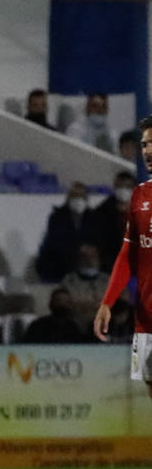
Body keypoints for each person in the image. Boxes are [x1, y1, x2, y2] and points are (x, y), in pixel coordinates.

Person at [95, 114, 152, 401]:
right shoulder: (140, 195)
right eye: (144, 144)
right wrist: (108, 301)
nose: (148, 151)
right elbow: (128, 254)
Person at [36, 184, 99, 282]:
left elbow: (96, 239)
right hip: (59, 263)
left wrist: (90, 249)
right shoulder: (57, 217)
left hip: (84, 261)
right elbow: (56, 242)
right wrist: (79, 248)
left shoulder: (92, 217)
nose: (78, 199)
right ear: (68, 198)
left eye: (81, 196)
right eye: (75, 196)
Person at [60, 243, 110, 331]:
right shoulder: (68, 281)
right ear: (78, 259)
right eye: (84, 256)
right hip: (76, 324)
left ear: (98, 257)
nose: (88, 260)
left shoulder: (108, 280)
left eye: (92, 256)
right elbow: (67, 304)